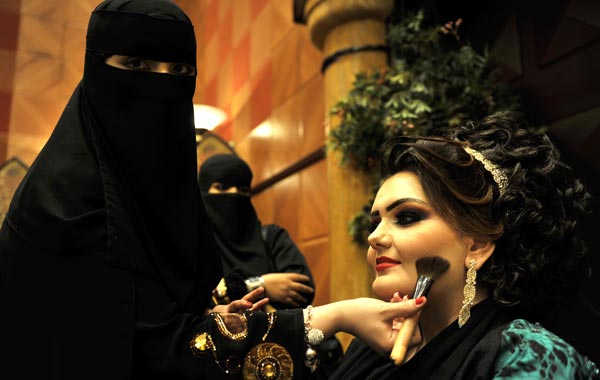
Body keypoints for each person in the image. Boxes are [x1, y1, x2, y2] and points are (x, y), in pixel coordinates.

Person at [0, 1, 428, 379]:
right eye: (135, 66)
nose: (160, 87)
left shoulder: (159, 203)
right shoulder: (66, 207)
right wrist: (336, 316)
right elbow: (146, 353)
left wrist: (207, 318)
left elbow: (154, 322)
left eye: (180, 72)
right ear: (96, 69)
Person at [329, 111, 600, 379]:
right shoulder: (369, 346)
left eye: (407, 217)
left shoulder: (528, 355)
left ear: (477, 246)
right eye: (374, 223)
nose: (374, 237)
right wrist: (332, 317)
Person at [198, 153, 316, 311]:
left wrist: (228, 294)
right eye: (222, 187)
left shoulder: (272, 237)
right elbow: (193, 303)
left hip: (280, 333)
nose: (234, 194)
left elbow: (303, 289)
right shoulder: (194, 244)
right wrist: (260, 285)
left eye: (243, 189)